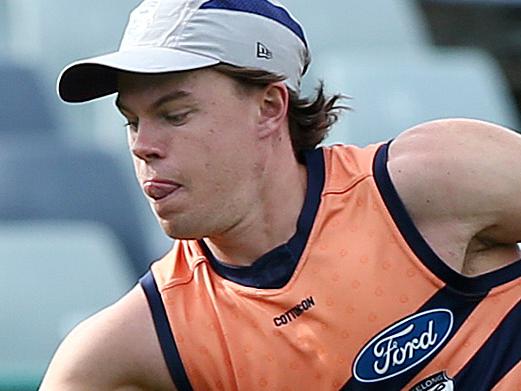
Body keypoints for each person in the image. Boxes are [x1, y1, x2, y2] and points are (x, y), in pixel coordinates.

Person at [41, 0, 521, 390]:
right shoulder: (129, 344)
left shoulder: (435, 177)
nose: (143, 145)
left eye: (175, 114)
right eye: (132, 121)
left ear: (270, 107)